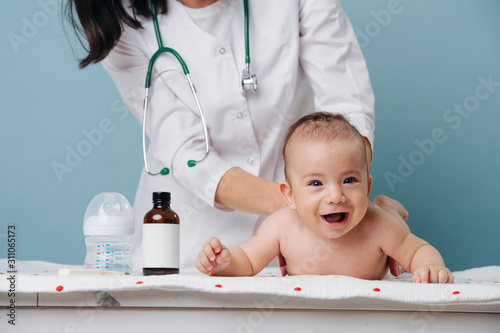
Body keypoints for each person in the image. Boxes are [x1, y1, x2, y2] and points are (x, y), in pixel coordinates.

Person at [67, 0, 408, 273]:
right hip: (191, 242)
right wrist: (319, 204)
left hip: (309, 243)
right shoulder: (119, 17)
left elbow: (348, 104)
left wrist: (362, 212)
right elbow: (186, 149)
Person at [196, 112, 453, 283]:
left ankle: (390, 207)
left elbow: (418, 249)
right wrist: (225, 263)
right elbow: (249, 260)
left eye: (349, 181)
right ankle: (387, 204)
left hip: (380, 215)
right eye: (316, 183)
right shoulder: (281, 226)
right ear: (290, 196)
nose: (335, 196)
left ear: (366, 187)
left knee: (386, 216)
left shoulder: (379, 226)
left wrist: (429, 267)